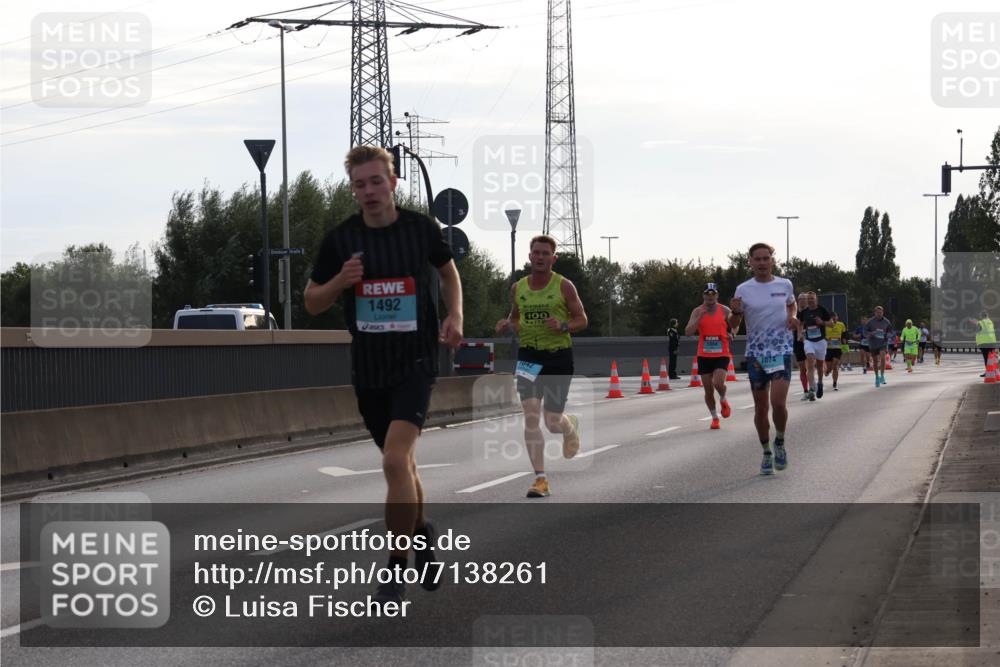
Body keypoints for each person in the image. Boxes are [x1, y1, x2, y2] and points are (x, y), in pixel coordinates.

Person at [304, 146, 464, 607]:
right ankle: (422, 534)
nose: (370, 191)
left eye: (377, 181)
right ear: (353, 189)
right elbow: (313, 300)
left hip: (415, 361)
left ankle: (397, 563)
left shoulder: (419, 229)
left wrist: (454, 315)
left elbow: (449, 273)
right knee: (405, 466)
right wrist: (341, 282)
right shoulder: (341, 240)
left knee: (394, 462)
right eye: (360, 184)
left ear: (393, 183)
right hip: (369, 369)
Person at [495, 235, 588, 498]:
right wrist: (507, 324)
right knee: (531, 414)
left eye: (545, 253)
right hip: (529, 356)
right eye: (536, 252)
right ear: (529, 256)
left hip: (558, 356)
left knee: (552, 422)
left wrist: (564, 325)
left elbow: (582, 319)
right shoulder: (518, 288)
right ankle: (540, 479)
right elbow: (516, 316)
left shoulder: (564, 286)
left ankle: (568, 425)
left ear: (553, 258)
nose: (539, 257)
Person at [728, 243, 797, 476]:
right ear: (750, 261)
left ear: (772, 261)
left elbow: (791, 303)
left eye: (766, 258)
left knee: (778, 403)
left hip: (781, 349)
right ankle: (766, 451)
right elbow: (734, 325)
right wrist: (735, 312)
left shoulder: (784, 284)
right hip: (756, 353)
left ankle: (780, 441)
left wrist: (793, 316)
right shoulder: (743, 289)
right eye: (757, 259)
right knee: (761, 407)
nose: (762, 263)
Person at [684, 283, 732, 429]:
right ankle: (714, 417)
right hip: (704, 355)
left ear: (717, 295)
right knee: (708, 390)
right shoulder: (697, 311)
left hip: (721, 353)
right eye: (707, 294)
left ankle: (723, 399)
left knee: (718, 383)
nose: (710, 297)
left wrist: (732, 333)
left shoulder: (724, 310)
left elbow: (735, 324)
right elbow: (688, 332)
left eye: (713, 294)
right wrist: (699, 318)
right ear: (703, 295)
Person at [798, 291, 832, 400]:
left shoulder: (822, 310)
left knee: (820, 365)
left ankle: (820, 382)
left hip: (821, 341)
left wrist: (822, 322)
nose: (810, 300)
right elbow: (800, 323)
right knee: (810, 362)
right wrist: (800, 334)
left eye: (812, 298)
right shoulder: (804, 312)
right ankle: (812, 387)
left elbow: (831, 323)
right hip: (809, 341)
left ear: (816, 299)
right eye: (809, 299)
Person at [864, 306, 893, 387]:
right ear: (875, 313)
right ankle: (877, 377)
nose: (879, 314)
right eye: (877, 312)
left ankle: (882, 376)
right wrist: (871, 333)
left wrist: (887, 335)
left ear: (883, 312)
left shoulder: (887, 322)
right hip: (873, 344)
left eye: (880, 312)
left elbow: (891, 332)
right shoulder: (870, 322)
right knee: (875, 361)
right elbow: (865, 332)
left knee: (883, 356)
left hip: (883, 343)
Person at [793, 293, 810, 400]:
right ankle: (806, 391)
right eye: (800, 299)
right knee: (803, 369)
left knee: (810, 367)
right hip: (798, 342)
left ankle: (812, 388)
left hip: (810, 341)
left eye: (804, 299)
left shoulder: (811, 312)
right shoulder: (794, 313)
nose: (803, 301)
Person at [824, 311, 847, 390]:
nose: (834, 319)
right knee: (829, 367)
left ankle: (835, 383)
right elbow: (822, 335)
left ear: (837, 317)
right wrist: (827, 339)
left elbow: (844, 336)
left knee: (835, 366)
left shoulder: (841, 325)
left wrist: (845, 346)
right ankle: (827, 371)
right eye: (832, 318)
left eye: (835, 317)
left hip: (838, 348)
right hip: (828, 348)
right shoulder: (826, 325)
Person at [972, 311, 997, 376]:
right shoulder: (990, 322)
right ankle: (995, 372)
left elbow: (977, 331)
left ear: (981, 316)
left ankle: (988, 372)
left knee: (986, 358)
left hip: (984, 343)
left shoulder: (980, 322)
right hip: (992, 342)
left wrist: (976, 324)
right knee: (993, 358)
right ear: (987, 316)